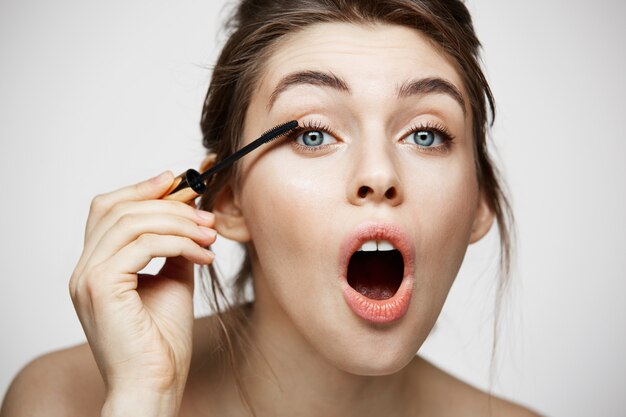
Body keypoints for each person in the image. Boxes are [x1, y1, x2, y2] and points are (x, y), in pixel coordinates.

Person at [1, 1, 543, 416]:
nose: (379, 174)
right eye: (311, 135)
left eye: (425, 134)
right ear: (229, 201)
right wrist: (145, 396)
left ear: (479, 203)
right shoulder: (63, 401)